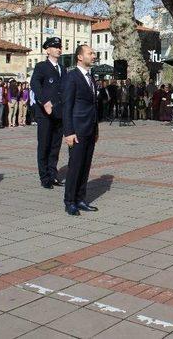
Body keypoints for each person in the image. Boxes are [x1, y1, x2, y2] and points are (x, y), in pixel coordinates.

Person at [63, 45, 99, 216]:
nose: (94, 55)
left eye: (93, 53)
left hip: (90, 128)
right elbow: (67, 106)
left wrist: (96, 128)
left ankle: (80, 199)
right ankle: (69, 201)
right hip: (77, 130)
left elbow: (93, 105)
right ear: (79, 57)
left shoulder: (91, 78)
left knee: (85, 166)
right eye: (90, 53)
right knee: (75, 166)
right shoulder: (72, 77)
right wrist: (68, 132)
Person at [30, 37, 66, 190]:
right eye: (55, 47)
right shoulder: (41, 67)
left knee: (55, 146)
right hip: (45, 113)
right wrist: (45, 101)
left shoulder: (63, 69)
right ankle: (44, 177)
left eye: (60, 46)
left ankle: (53, 174)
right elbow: (35, 84)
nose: (59, 49)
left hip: (59, 113)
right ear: (48, 50)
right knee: (44, 145)